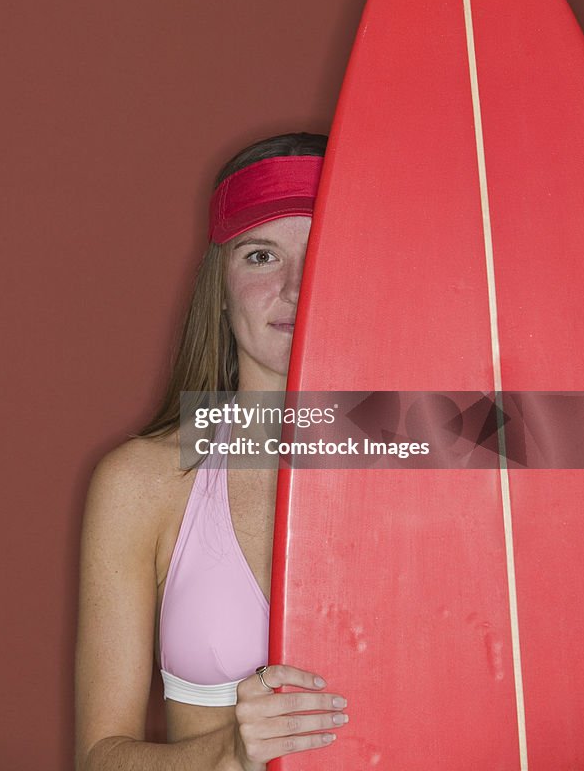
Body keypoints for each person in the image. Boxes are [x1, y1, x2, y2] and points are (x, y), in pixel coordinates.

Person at [74, 132, 349, 771]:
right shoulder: (143, 481)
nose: (294, 286)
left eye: (324, 248)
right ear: (219, 288)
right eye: (260, 256)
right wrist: (229, 752)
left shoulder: (436, 453)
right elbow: (98, 757)